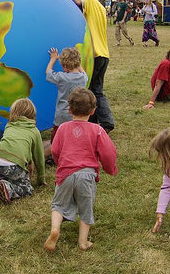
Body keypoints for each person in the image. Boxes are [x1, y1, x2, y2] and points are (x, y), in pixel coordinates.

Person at [44, 87, 117, 252]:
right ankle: (83, 242)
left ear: (69, 110)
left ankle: (55, 229)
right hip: (87, 175)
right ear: (93, 111)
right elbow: (108, 152)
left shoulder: (62, 128)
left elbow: (55, 150)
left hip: (65, 174)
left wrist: (59, 162)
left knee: (58, 205)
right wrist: (110, 168)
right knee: (86, 208)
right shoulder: (97, 130)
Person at [53, 0, 115, 132]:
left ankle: (107, 122)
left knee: (95, 90)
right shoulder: (100, 7)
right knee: (94, 89)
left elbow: (78, 0)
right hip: (103, 53)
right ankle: (92, 120)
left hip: (94, 54)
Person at [0, 98, 45, 204]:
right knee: (27, 189)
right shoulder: (34, 131)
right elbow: (39, 157)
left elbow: (15, 146)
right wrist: (41, 179)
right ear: (32, 114)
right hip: (15, 165)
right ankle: (9, 189)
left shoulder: (9, 126)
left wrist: (29, 162)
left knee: (3, 169)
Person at [44, 47, 88, 158]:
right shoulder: (83, 78)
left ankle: (47, 156)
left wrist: (53, 59)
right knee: (72, 137)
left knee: (56, 140)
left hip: (61, 116)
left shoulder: (62, 77)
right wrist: (77, 62)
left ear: (64, 66)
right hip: (75, 115)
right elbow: (82, 70)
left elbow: (48, 73)